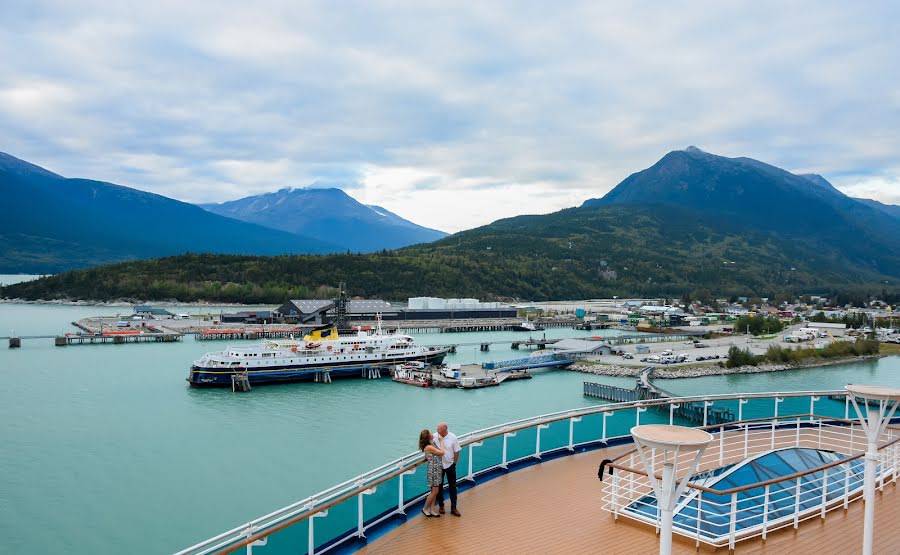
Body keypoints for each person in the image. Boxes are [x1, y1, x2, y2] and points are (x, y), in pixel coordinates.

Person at [435, 422, 462, 516]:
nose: (437, 431)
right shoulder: (435, 436)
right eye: (437, 429)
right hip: (439, 466)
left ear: (445, 430)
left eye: (439, 429)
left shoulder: (453, 437)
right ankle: (441, 505)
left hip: (450, 465)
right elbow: (425, 442)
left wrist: (454, 463)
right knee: (439, 486)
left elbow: (456, 451)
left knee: (453, 487)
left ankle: (453, 508)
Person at [419, 428, 445, 518]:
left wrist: (433, 441)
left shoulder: (431, 444)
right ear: (428, 436)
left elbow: (428, 456)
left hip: (436, 469)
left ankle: (432, 509)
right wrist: (441, 441)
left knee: (435, 491)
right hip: (433, 470)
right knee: (434, 491)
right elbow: (442, 452)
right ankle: (425, 508)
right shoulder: (429, 447)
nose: (432, 433)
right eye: (431, 433)